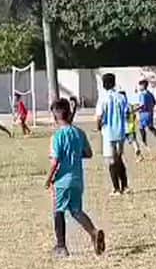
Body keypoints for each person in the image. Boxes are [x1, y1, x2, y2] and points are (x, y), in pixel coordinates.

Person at [45, 98, 105, 258]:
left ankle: (61, 246)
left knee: (58, 211)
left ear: (55, 116)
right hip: (77, 179)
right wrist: (75, 153)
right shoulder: (79, 133)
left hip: (62, 181)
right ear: (69, 113)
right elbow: (88, 153)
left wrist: (48, 179)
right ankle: (93, 232)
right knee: (76, 210)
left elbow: (55, 160)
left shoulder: (57, 136)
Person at [95, 73, 132, 195]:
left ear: (104, 84)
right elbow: (127, 113)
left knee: (111, 161)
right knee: (119, 158)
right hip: (120, 132)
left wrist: (98, 127)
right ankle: (125, 186)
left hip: (108, 133)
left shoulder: (103, 98)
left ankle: (116, 188)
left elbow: (99, 116)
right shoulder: (121, 97)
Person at [136, 79, 156, 150]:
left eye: (140, 86)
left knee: (141, 128)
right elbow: (154, 102)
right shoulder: (150, 94)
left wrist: (135, 110)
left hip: (143, 114)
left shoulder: (142, 94)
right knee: (151, 127)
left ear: (143, 86)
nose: (139, 87)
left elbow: (142, 105)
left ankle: (144, 142)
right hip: (150, 113)